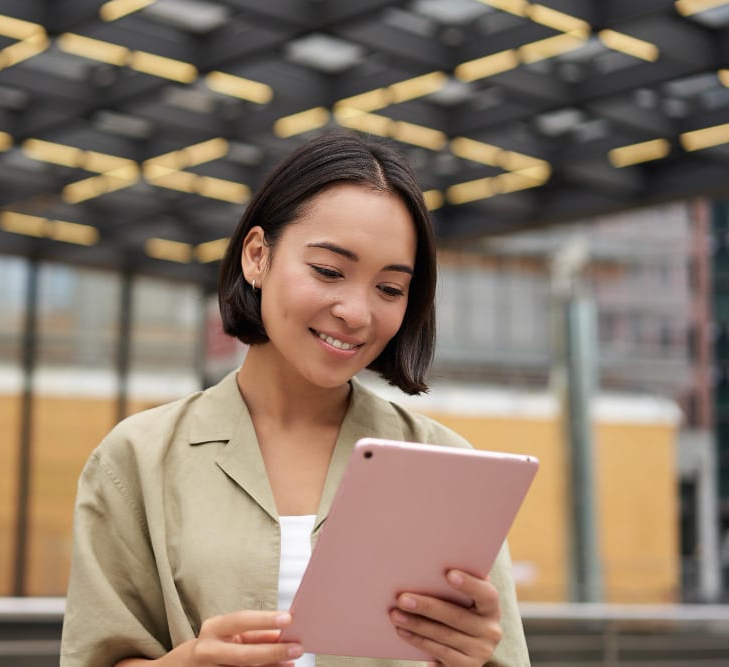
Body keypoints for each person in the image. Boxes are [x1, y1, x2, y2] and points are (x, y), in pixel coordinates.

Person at [60, 131, 530, 667]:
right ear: (257, 255)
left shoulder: (448, 467)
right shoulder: (137, 459)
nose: (357, 312)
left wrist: (473, 656)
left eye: (390, 288)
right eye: (329, 271)